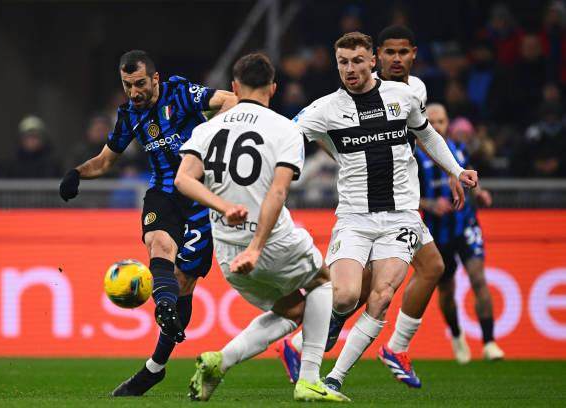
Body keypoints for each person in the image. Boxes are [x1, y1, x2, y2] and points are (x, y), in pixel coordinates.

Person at [287, 31, 477, 393]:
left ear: (372, 61)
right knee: (345, 296)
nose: (350, 69)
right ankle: (312, 336)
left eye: (357, 61)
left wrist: (456, 169)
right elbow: (286, 135)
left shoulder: (403, 96)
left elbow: (428, 135)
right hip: (354, 217)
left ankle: (334, 378)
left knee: (383, 295)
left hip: (401, 216)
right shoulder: (324, 109)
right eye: (343, 62)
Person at [58, 50, 237, 396]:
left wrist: (206, 136)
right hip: (164, 192)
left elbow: (230, 100)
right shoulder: (128, 116)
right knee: (157, 241)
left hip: (202, 195)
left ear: (155, 79)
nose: (134, 92)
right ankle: (164, 306)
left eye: (139, 83)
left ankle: (155, 368)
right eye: (127, 85)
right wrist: (76, 173)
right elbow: (105, 160)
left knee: (183, 282)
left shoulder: (180, 93)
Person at [175, 53, 349, 403]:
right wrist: (256, 246)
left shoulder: (206, 129)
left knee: (294, 310)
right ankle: (309, 379)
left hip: (228, 251)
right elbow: (278, 191)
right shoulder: (286, 129)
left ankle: (220, 361)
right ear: (273, 88)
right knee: (322, 281)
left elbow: (183, 180)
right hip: (271, 240)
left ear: (234, 87)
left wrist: (224, 207)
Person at [422, 103, 504, 363]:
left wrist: (480, 193)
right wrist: (429, 204)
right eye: (431, 122)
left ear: (448, 123)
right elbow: (402, 194)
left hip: (465, 224)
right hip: (436, 232)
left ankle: (489, 343)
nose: (437, 127)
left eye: (441, 121)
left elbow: (469, 178)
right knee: (446, 289)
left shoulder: (458, 149)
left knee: (478, 278)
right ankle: (457, 336)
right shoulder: (412, 156)